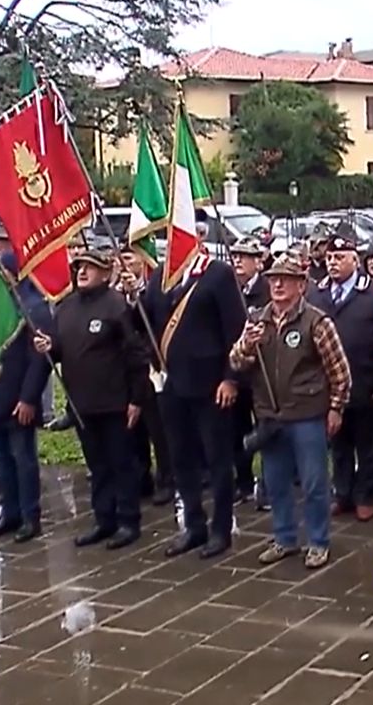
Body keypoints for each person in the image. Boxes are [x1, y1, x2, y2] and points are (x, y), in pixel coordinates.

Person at [230, 253, 353, 569]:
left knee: (313, 484)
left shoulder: (316, 322)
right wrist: (247, 344)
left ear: (302, 285)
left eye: (285, 279)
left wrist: (336, 408)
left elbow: (340, 372)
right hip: (270, 417)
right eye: (273, 279)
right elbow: (236, 362)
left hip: (307, 416)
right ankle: (284, 539)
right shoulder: (256, 320)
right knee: (275, 483)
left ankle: (318, 542)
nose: (278, 285)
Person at [141, 219, 247, 560]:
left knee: (217, 460)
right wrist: (133, 296)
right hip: (172, 384)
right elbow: (146, 323)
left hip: (211, 385)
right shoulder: (160, 276)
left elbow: (236, 330)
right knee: (181, 458)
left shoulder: (217, 274)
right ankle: (194, 524)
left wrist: (230, 378)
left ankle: (221, 529)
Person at [36, 250, 153, 549]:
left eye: (90, 267)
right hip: (81, 403)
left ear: (106, 273)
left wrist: (136, 399)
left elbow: (136, 355)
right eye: (79, 267)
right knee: (97, 466)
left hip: (115, 402)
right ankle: (104, 519)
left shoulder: (117, 306)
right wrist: (50, 346)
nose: (82, 272)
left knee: (121, 464)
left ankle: (128, 521)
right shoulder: (66, 307)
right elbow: (62, 349)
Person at [309, 230, 373, 523]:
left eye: (340, 257)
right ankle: (342, 493)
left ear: (355, 260)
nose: (332, 262)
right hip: (329, 387)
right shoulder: (316, 293)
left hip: (366, 382)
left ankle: (365, 495)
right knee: (338, 444)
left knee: (368, 445)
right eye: (330, 257)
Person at [0, 254, 52, 544]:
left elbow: (39, 359)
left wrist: (29, 398)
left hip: (19, 398)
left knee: (23, 460)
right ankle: (9, 513)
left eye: (1, 269)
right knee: (2, 461)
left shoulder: (32, 306)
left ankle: (29, 516)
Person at [116, 249, 172, 507]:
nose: (123, 263)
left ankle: (166, 479)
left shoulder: (157, 285)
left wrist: (137, 293)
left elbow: (148, 319)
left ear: (143, 259)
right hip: (125, 369)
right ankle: (141, 478)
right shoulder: (115, 292)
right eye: (120, 258)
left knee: (158, 428)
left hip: (152, 365)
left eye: (129, 258)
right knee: (133, 429)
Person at [230, 236, 270, 507]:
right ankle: (243, 482)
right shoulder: (230, 289)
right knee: (237, 432)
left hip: (263, 375)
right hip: (238, 373)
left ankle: (267, 488)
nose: (238, 261)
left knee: (266, 433)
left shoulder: (268, 290)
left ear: (258, 261)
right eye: (235, 256)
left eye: (244, 256)